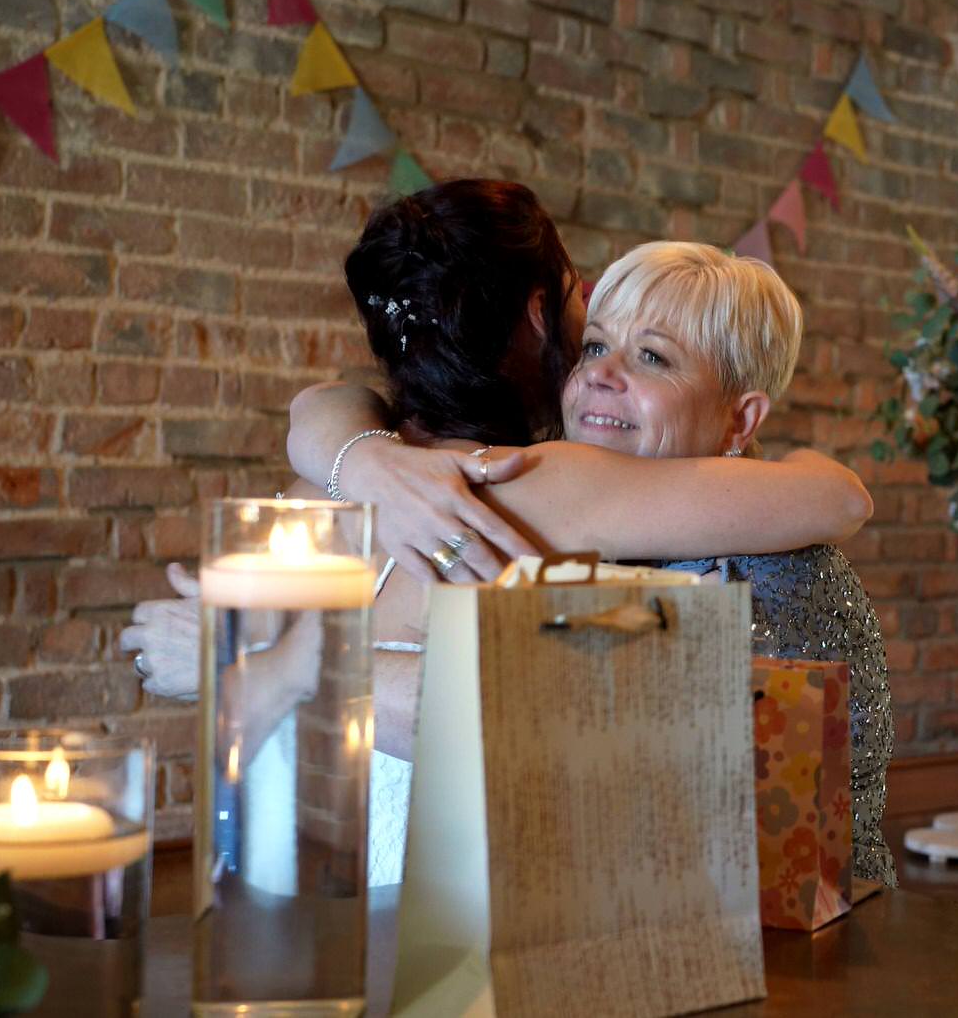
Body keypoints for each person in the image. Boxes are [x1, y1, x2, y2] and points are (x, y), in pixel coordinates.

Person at [123, 183, 878, 885]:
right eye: (591, 333)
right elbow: (836, 498)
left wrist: (254, 643)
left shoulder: (308, 491)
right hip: (436, 923)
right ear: (543, 313)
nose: (599, 367)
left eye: (650, 356)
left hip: (273, 909)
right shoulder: (544, 482)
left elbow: (322, 401)